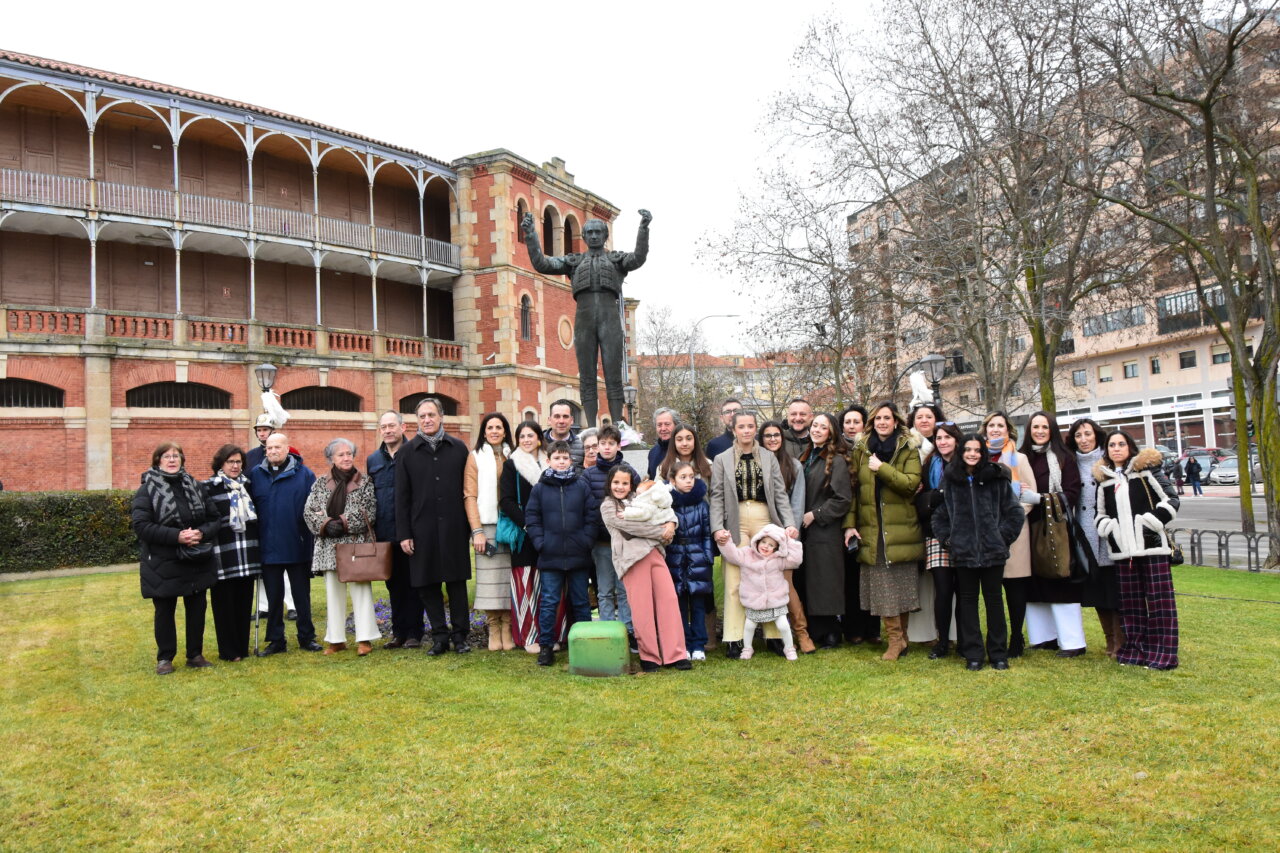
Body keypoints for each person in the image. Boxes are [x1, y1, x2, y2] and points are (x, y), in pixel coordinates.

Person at [522, 210, 651, 426]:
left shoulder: (616, 260)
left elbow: (638, 257)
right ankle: (591, 427)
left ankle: (617, 425)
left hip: (610, 319)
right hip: (584, 320)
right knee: (587, 376)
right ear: (584, 236)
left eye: (598, 232)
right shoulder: (574, 262)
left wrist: (643, 228)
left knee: (613, 375)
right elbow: (542, 264)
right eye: (589, 232)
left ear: (605, 236)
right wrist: (530, 235)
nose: (593, 236)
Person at [930, 435, 1026, 671]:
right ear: (961, 452)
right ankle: (973, 653)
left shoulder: (996, 478)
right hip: (964, 554)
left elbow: (1015, 512)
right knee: (968, 602)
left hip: (993, 552)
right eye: (968, 450)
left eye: (977, 450)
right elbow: (939, 516)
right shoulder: (951, 479)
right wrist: (949, 540)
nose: (972, 454)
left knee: (994, 601)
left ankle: (998, 654)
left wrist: (1000, 537)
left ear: (983, 453)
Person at [396, 397, 480, 656]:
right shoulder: (406, 453)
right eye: (422, 416)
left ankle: (461, 636)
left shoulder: (458, 448)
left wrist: (470, 528)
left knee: (456, 584)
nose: (427, 420)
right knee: (427, 585)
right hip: (421, 530)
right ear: (417, 420)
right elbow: (401, 497)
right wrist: (404, 534)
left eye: (431, 415)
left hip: (454, 527)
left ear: (441, 417)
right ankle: (440, 637)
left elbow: (468, 489)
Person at [710, 411, 799, 657]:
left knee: (769, 575)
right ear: (733, 429)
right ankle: (734, 637)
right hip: (735, 519)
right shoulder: (722, 459)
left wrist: (789, 523)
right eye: (742, 426)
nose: (747, 430)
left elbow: (780, 493)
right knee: (734, 578)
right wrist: (717, 527)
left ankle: (774, 636)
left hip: (763, 517)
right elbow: (716, 495)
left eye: (751, 426)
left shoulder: (768, 457)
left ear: (755, 428)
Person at [132, 442, 221, 674]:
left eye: (176, 456)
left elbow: (214, 518)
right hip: (162, 561)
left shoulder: (195, 486)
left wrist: (201, 533)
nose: (172, 460)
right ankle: (165, 658)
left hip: (195, 558)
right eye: (166, 456)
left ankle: (195, 654)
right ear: (157, 461)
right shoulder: (146, 490)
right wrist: (177, 536)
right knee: (164, 610)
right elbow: (141, 526)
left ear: (182, 460)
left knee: (197, 608)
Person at [1094, 431, 1181, 670]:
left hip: (1152, 549)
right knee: (1131, 606)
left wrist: (1150, 522)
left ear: (1130, 447)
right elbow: (1099, 514)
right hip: (1123, 553)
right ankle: (1134, 651)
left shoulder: (1147, 472)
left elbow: (1171, 500)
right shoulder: (1105, 480)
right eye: (1112, 445)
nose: (1116, 448)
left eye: (1121, 444)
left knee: (1160, 605)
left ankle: (1162, 654)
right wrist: (1109, 528)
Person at [846, 402, 923, 661]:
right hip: (872, 528)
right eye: (878, 418)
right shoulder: (862, 449)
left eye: (887, 418)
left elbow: (911, 484)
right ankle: (895, 639)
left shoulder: (908, 448)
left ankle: (902, 639)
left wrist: (882, 468)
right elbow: (855, 490)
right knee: (883, 587)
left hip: (901, 528)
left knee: (902, 587)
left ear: (895, 421)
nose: (882, 422)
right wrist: (850, 524)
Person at [600, 467, 691, 671]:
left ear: (631, 485)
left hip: (655, 553)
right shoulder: (608, 506)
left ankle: (675, 654)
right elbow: (631, 526)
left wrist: (672, 524)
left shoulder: (641, 498)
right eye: (616, 482)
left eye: (625, 483)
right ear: (609, 483)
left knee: (668, 601)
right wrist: (661, 532)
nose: (620, 487)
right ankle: (649, 656)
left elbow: (665, 511)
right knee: (642, 608)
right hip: (631, 559)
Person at [525, 440, 600, 667]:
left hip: (578, 554)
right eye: (556, 458)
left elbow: (591, 515)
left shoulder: (581, 486)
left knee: (580, 601)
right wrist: (541, 542)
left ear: (571, 460)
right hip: (550, 554)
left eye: (565, 458)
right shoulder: (539, 489)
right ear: (549, 461)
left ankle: (584, 643)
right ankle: (546, 646)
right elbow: (532, 518)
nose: (561, 462)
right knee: (549, 601)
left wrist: (586, 541)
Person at [1020, 411, 1087, 657]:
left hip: (1056, 527)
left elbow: (1072, 493)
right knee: (1033, 583)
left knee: (1060, 580)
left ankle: (1072, 642)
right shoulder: (1021, 457)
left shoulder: (1063, 458)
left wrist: (1041, 499)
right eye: (1035, 427)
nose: (1039, 431)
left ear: (1052, 430)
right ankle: (1043, 637)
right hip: (1026, 526)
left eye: (1044, 427)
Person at [304, 438, 380, 656]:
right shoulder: (320, 483)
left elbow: (369, 512)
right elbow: (310, 511)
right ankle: (336, 640)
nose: (346, 458)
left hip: (356, 546)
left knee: (361, 592)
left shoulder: (364, 482)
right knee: (333, 594)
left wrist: (344, 523)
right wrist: (326, 524)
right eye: (341, 455)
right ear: (331, 459)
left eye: (349, 454)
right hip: (329, 545)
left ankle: (364, 639)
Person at [250, 432, 321, 655]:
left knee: (301, 597)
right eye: (269, 448)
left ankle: (307, 637)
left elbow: (315, 508)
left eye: (277, 447)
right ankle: (276, 640)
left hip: (297, 545)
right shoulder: (256, 474)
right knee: (273, 598)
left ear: (287, 449)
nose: (273, 451)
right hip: (268, 547)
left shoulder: (304, 474)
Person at [501, 420, 561, 653]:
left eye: (530, 435)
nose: (526, 440)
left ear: (539, 438)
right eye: (522, 436)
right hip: (524, 532)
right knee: (527, 585)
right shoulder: (512, 465)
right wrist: (527, 524)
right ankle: (529, 636)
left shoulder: (551, 461)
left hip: (552, 531)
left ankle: (551, 634)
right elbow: (506, 500)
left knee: (551, 586)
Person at [981, 411, 1037, 657]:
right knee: (992, 591)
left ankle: (1016, 636)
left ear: (1008, 430)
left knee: (1015, 589)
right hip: (986, 533)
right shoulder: (978, 457)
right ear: (985, 429)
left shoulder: (1020, 459)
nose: (995, 429)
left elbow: (1030, 495)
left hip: (1014, 533)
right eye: (991, 425)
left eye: (1000, 425)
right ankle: (997, 638)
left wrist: (1012, 519)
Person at [367, 410, 424, 649]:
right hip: (385, 532)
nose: (388, 430)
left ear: (403, 427)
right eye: (384, 427)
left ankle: (414, 633)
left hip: (410, 532)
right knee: (393, 584)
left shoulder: (414, 454)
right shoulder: (373, 460)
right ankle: (398, 633)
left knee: (413, 583)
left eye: (392, 426)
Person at [1066, 418, 1123, 658]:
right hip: (1086, 535)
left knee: (1115, 590)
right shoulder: (1071, 463)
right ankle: (1109, 640)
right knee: (1097, 591)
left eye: (1087, 434)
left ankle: (1121, 640)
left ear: (1096, 435)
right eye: (1078, 435)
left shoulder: (1109, 459)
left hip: (1110, 533)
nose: (1084, 439)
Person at [797, 412, 853, 649]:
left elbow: (842, 498)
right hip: (805, 530)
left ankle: (831, 631)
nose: (817, 430)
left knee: (826, 581)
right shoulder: (805, 456)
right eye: (815, 425)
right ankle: (815, 630)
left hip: (825, 528)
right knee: (810, 580)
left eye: (823, 427)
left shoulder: (836, 460)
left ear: (831, 433)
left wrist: (816, 514)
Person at [204, 444, 261, 662]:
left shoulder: (248, 485)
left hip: (247, 552)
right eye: (230, 462)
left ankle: (242, 648)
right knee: (224, 605)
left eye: (238, 462)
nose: (235, 466)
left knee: (243, 603)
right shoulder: (209, 487)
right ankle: (228, 651)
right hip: (223, 554)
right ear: (221, 464)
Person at [583, 425, 637, 647]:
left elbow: (638, 501)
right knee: (604, 590)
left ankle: (627, 631)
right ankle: (607, 632)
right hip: (602, 543)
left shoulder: (629, 471)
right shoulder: (588, 475)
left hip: (625, 542)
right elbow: (587, 508)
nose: (606, 448)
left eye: (611, 444)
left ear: (618, 446)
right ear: (597, 446)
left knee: (624, 590)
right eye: (602, 444)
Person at [761, 420, 812, 653]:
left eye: (776, 435)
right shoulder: (756, 465)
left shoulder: (793, 466)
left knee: (786, 584)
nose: (772, 439)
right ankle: (773, 636)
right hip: (759, 534)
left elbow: (797, 504)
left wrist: (791, 535)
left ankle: (801, 633)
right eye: (767, 435)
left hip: (784, 533)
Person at [919, 422, 964, 659]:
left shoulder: (967, 461)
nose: (943, 442)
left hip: (965, 534)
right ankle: (943, 641)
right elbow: (921, 498)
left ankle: (965, 640)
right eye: (938, 438)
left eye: (947, 437)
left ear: (956, 439)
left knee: (964, 591)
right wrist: (936, 496)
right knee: (943, 590)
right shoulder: (930, 464)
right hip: (936, 532)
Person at [472, 412, 516, 650]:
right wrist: (476, 531)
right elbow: (469, 496)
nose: (494, 431)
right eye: (490, 427)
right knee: (489, 580)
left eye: (499, 427)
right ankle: (494, 629)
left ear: (505, 431)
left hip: (510, 524)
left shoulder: (515, 455)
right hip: (487, 525)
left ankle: (507, 627)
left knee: (508, 579)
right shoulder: (475, 457)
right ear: (484, 432)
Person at [665, 461, 715, 660]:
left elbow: (706, 534)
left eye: (691, 477)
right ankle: (683, 644)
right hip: (675, 557)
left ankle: (698, 645)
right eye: (683, 477)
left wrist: (707, 557)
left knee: (697, 604)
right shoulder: (667, 504)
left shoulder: (701, 504)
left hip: (697, 557)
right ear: (672, 480)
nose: (688, 481)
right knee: (679, 604)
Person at [839, 405, 878, 645]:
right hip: (846, 519)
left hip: (870, 518)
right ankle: (852, 628)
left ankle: (872, 628)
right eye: (847, 421)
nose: (852, 426)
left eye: (856, 421)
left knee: (871, 575)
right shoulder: (838, 449)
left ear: (864, 424)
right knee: (851, 577)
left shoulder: (872, 448)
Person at [906, 403, 945, 646]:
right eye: (919, 416)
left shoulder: (947, 445)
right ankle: (921, 633)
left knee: (943, 578)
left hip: (941, 519)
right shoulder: (907, 445)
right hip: (914, 517)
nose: (924, 420)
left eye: (929, 416)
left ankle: (946, 630)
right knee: (920, 577)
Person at [543, 400, 585, 469]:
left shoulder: (582, 447)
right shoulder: (538, 444)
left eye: (565, 416)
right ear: (549, 420)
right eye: (557, 416)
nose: (561, 421)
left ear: (572, 420)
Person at [647, 407, 678, 479]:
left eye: (667, 424)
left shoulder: (684, 449)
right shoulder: (653, 452)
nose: (663, 429)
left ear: (676, 425)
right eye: (659, 425)